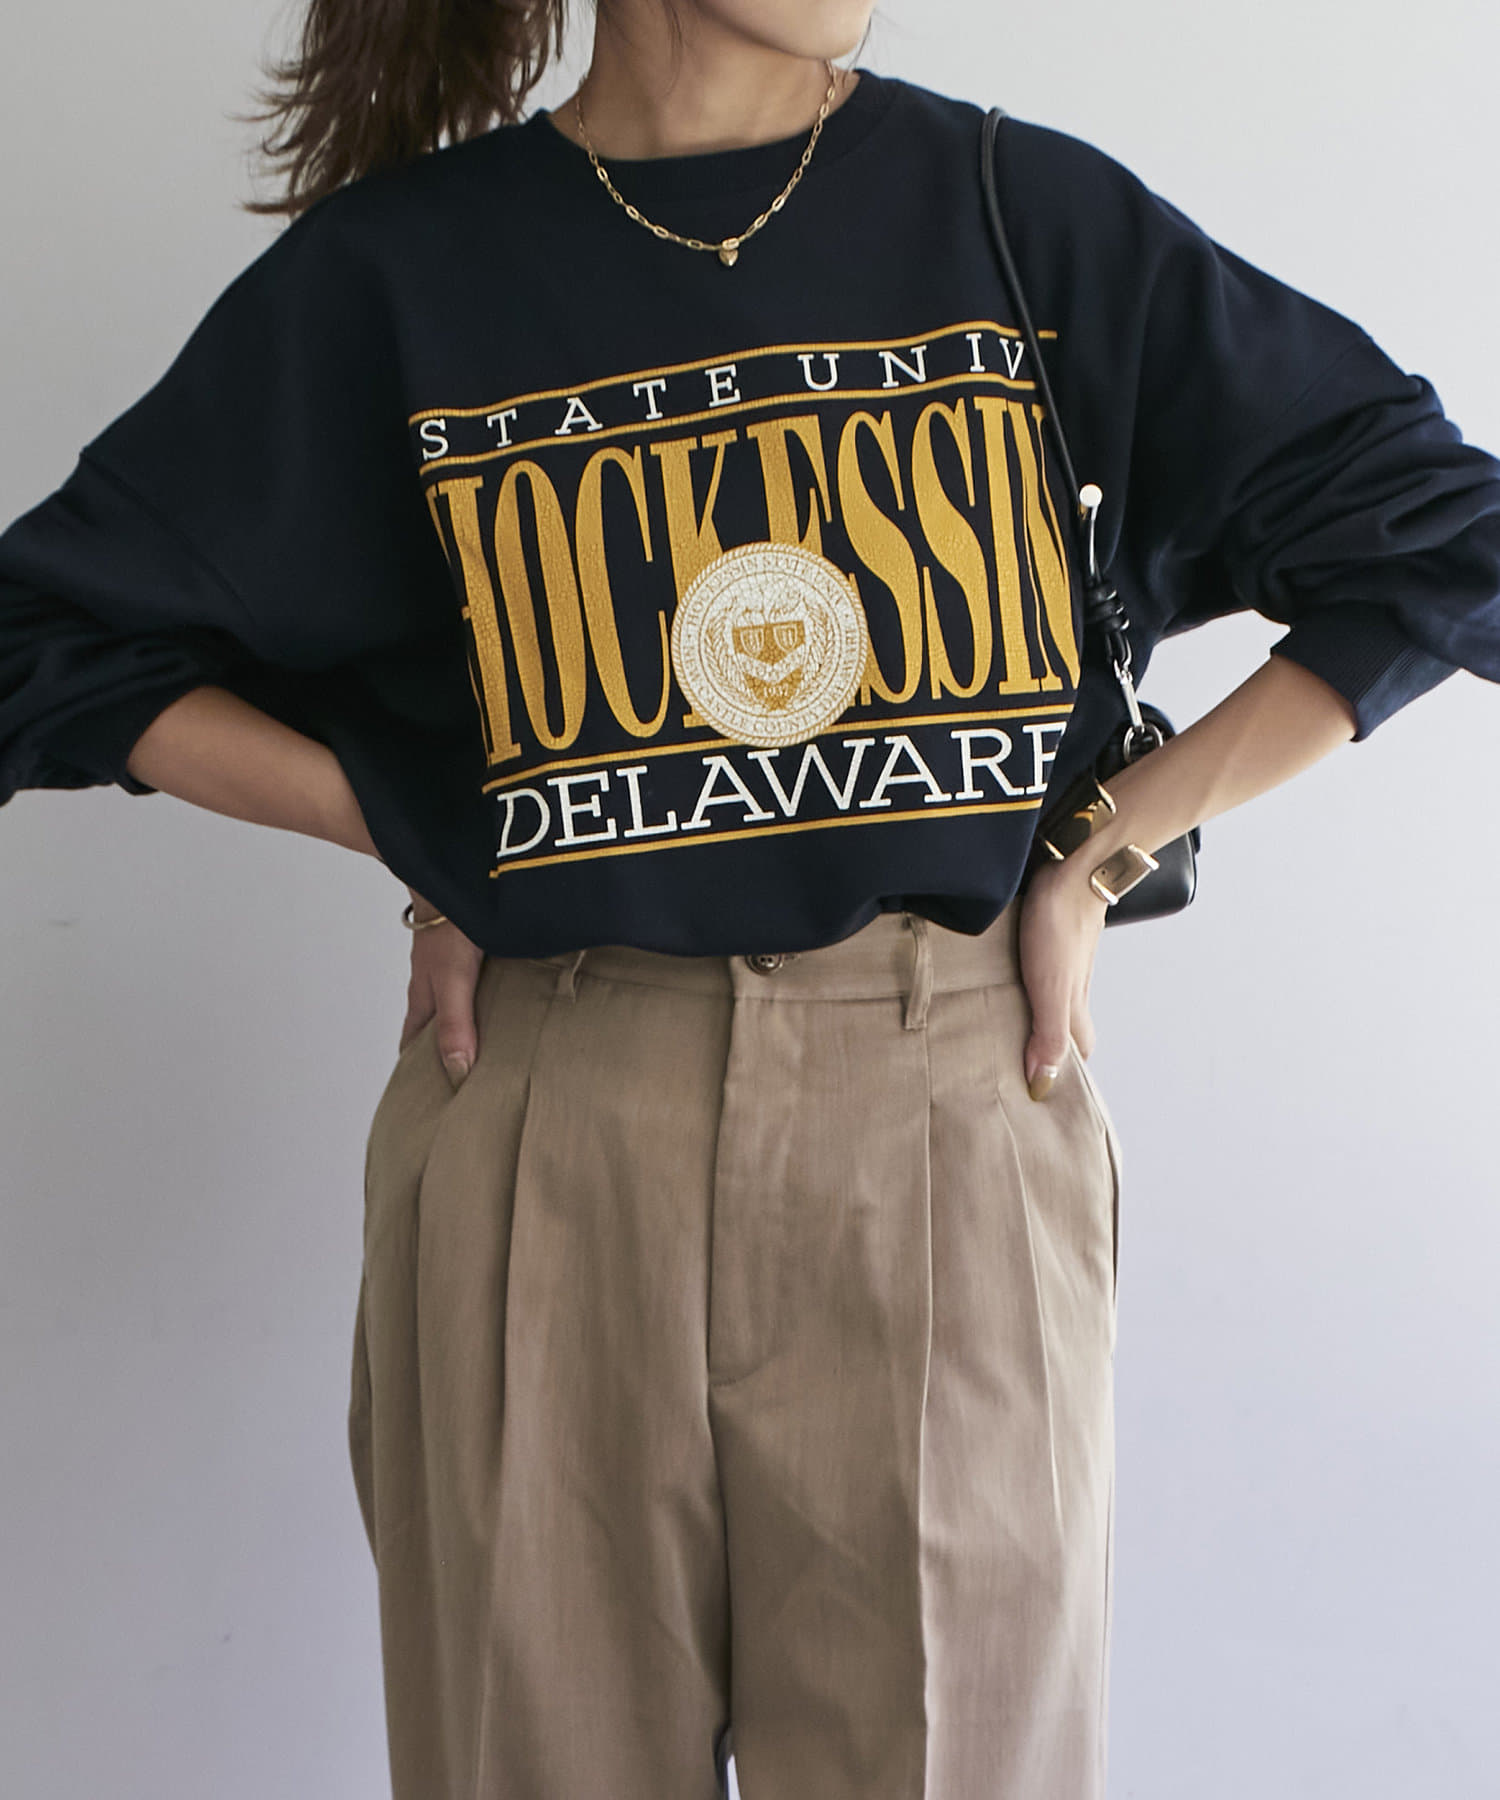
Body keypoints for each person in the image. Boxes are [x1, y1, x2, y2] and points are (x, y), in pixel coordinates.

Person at [3, 0, 1498, 1794]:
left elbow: (1444, 537)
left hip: (945, 1115)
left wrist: (1102, 846)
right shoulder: (407, 271)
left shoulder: (1018, 218)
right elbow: (48, 639)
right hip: (553, 1118)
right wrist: (431, 833)